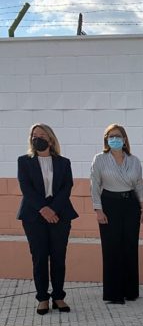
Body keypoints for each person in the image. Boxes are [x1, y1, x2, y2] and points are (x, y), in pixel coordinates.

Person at [17, 124, 78, 315]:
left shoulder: (63, 162)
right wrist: (43, 209)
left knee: (59, 257)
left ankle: (58, 296)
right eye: (34, 135)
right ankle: (42, 298)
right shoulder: (24, 161)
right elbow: (26, 188)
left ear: (50, 139)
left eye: (42, 135)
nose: (38, 138)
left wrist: (53, 209)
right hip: (34, 215)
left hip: (60, 213)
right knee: (40, 257)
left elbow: (67, 187)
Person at [90, 124, 143, 304]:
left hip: (131, 204)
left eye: (118, 136)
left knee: (130, 246)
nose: (115, 139)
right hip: (109, 204)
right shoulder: (99, 159)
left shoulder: (134, 160)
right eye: (111, 136)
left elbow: (139, 185)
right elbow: (94, 185)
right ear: (106, 139)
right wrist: (98, 210)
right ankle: (114, 293)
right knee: (112, 247)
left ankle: (130, 291)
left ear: (124, 139)